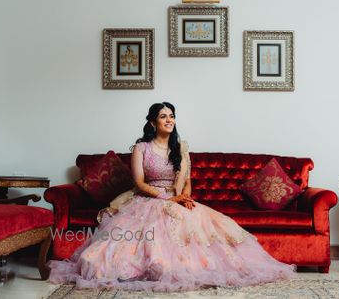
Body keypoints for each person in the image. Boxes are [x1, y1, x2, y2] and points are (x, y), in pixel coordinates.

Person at [48, 102, 296, 292]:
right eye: (163, 116)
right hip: (149, 199)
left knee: (198, 223)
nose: (169, 120)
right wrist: (166, 198)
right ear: (153, 123)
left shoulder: (180, 149)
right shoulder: (141, 148)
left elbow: (186, 182)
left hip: (177, 198)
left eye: (172, 116)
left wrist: (185, 198)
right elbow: (139, 182)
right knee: (101, 259)